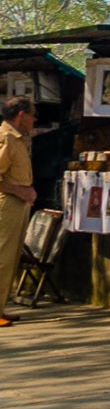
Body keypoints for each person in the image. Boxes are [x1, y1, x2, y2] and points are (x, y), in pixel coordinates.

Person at [0, 95, 35, 327]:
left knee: (11, 258)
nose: (34, 120)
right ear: (21, 115)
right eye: (32, 115)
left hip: (18, 203)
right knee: (2, 258)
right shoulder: (7, 138)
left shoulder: (18, 138)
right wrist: (19, 191)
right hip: (8, 203)